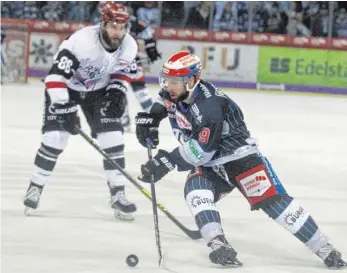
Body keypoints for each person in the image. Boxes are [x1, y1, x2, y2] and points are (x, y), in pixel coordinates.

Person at [135, 51, 346, 268]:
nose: (169, 86)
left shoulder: (208, 106)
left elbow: (203, 150)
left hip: (240, 158)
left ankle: (324, 248)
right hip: (213, 163)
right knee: (195, 190)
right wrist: (152, 118)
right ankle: (219, 244)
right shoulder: (180, 92)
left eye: (175, 82)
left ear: (191, 81)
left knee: (273, 202)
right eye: (168, 80)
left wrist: (167, 162)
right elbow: (165, 98)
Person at [23, 3, 137, 221]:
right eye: (113, 26)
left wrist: (117, 91)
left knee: (113, 137)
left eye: (122, 27)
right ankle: (35, 187)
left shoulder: (129, 45)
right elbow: (55, 78)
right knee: (56, 138)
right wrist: (65, 107)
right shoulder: (81, 42)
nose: (118, 32)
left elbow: (123, 72)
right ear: (103, 23)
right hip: (66, 88)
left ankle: (118, 194)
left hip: (98, 91)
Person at [116, 4, 161, 131]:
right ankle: (153, 117)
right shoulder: (137, 22)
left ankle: (124, 120)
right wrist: (151, 47)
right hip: (133, 63)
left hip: (119, 64)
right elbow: (147, 33)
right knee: (141, 93)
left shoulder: (113, 24)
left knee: (118, 91)